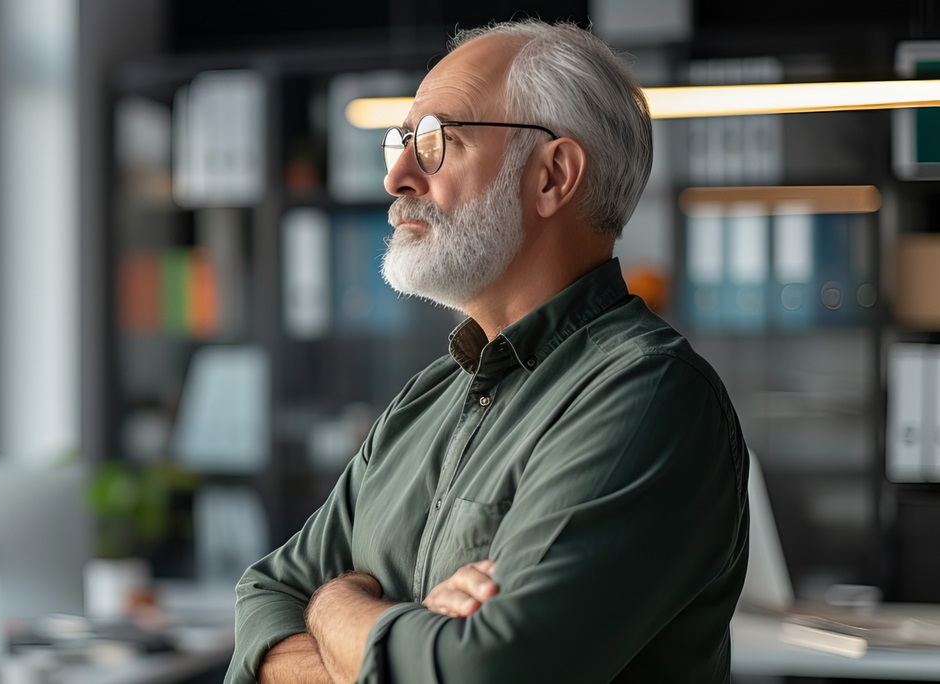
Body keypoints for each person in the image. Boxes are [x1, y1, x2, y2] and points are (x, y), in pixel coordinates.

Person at [226, 19, 749, 684]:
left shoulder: (649, 396)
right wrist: (404, 642)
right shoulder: (426, 398)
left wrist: (332, 604)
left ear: (552, 175)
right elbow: (264, 600)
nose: (396, 177)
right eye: (401, 141)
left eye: (436, 142)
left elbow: (487, 673)